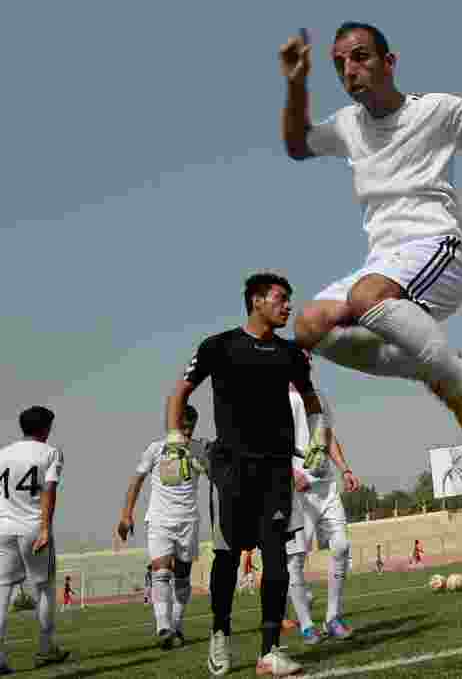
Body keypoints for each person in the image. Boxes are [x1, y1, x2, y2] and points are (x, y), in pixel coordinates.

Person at [278, 17, 462, 481]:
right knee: (308, 325)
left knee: (365, 297)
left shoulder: (438, 110)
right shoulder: (347, 125)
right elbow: (297, 146)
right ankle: (430, 369)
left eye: (360, 57)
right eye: (339, 65)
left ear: (390, 62)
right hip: (383, 263)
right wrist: (296, 85)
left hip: (439, 249)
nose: (349, 70)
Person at [167, 272, 330, 677]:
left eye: (289, 299)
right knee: (227, 555)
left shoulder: (292, 354)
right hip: (232, 469)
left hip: (276, 470)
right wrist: (174, 439)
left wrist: (320, 437)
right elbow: (180, 392)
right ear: (256, 301)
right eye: (281, 298)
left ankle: (270, 650)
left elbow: (311, 399)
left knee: (277, 557)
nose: (288, 306)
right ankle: (220, 633)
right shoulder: (217, 347)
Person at [117, 404, 209, 649]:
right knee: (160, 571)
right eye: (184, 427)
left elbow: (216, 475)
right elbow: (136, 480)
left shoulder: (199, 449)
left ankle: (177, 626)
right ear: (174, 425)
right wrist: (126, 515)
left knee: (182, 577)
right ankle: (163, 627)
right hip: (159, 520)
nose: (188, 432)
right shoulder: (156, 449)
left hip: (188, 521)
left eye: (192, 428)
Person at [284, 377, 361, 645]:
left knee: (341, 546)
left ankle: (333, 618)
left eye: (308, 356)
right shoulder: (275, 396)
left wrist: (345, 469)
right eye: (301, 355)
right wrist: (291, 473)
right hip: (297, 490)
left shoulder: (318, 395)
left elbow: (326, 435)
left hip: (326, 485)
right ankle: (306, 625)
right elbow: (271, 443)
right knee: (295, 559)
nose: (306, 359)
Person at [0, 406, 71, 672]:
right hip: (32, 527)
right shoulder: (51, 452)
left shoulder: (3, 453)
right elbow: (49, 492)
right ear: (45, 428)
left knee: (2, 591)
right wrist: (45, 529)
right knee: (44, 588)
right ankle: (45, 648)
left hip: (3, 527)